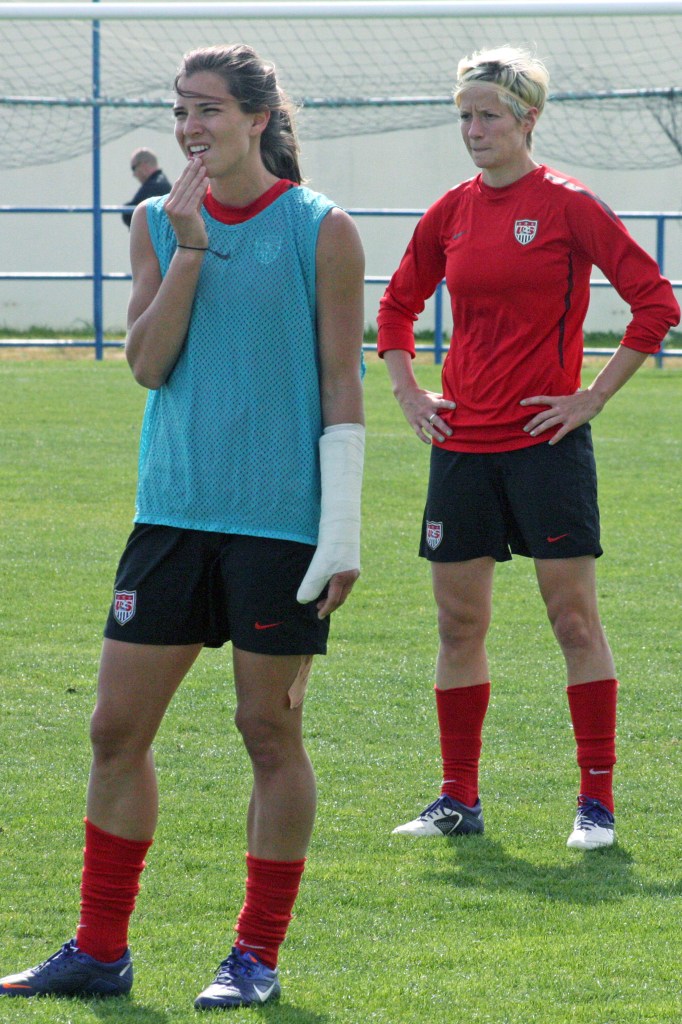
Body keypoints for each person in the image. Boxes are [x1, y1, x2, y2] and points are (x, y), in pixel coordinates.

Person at [1, 43, 365, 1009]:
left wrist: (343, 529)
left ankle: (255, 956)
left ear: (257, 117)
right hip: (171, 513)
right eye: (180, 109)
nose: (190, 127)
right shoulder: (154, 225)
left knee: (267, 731)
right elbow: (148, 365)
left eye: (208, 109)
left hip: (280, 526)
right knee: (114, 729)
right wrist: (190, 244)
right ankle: (99, 949)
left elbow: (341, 382)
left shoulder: (322, 231)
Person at [377, 46, 679, 852]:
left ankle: (597, 803)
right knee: (457, 624)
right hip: (462, 446)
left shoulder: (569, 205)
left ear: (527, 121)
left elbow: (655, 303)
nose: (474, 130)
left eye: (489, 116)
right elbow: (397, 308)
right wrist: (410, 393)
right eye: (465, 117)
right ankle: (457, 799)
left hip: (547, 445)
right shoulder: (451, 211)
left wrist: (591, 398)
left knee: (573, 620)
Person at [121, 148, 171, 227]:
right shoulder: (160, 183)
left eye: (134, 168)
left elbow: (131, 214)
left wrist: (125, 208)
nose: (134, 174)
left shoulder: (154, 186)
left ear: (143, 165)